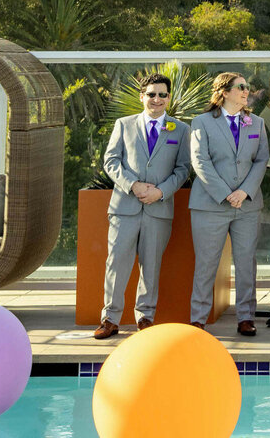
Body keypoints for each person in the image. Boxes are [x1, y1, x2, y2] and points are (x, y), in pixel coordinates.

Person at [93, 74, 190, 340]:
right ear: (142, 96)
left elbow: (183, 168)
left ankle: (145, 316)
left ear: (169, 98)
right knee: (116, 264)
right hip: (125, 207)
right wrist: (133, 185)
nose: (156, 99)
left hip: (159, 209)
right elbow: (111, 160)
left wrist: (161, 192)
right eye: (151, 94)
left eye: (162, 95)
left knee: (151, 265)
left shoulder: (181, 130)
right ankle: (110, 319)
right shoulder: (124, 125)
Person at [189, 70, 270, 336]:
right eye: (240, 87)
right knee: (206, 263)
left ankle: (246, 317)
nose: (246, 91)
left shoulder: (256, 123)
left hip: (246, 206)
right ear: (224, 92)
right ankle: (198, 319)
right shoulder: (201, 122)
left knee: (246, 263)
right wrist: (226, 193)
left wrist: (244, 191)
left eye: (247, 87)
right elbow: (200, 161)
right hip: (210, 205)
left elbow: (261, 160)